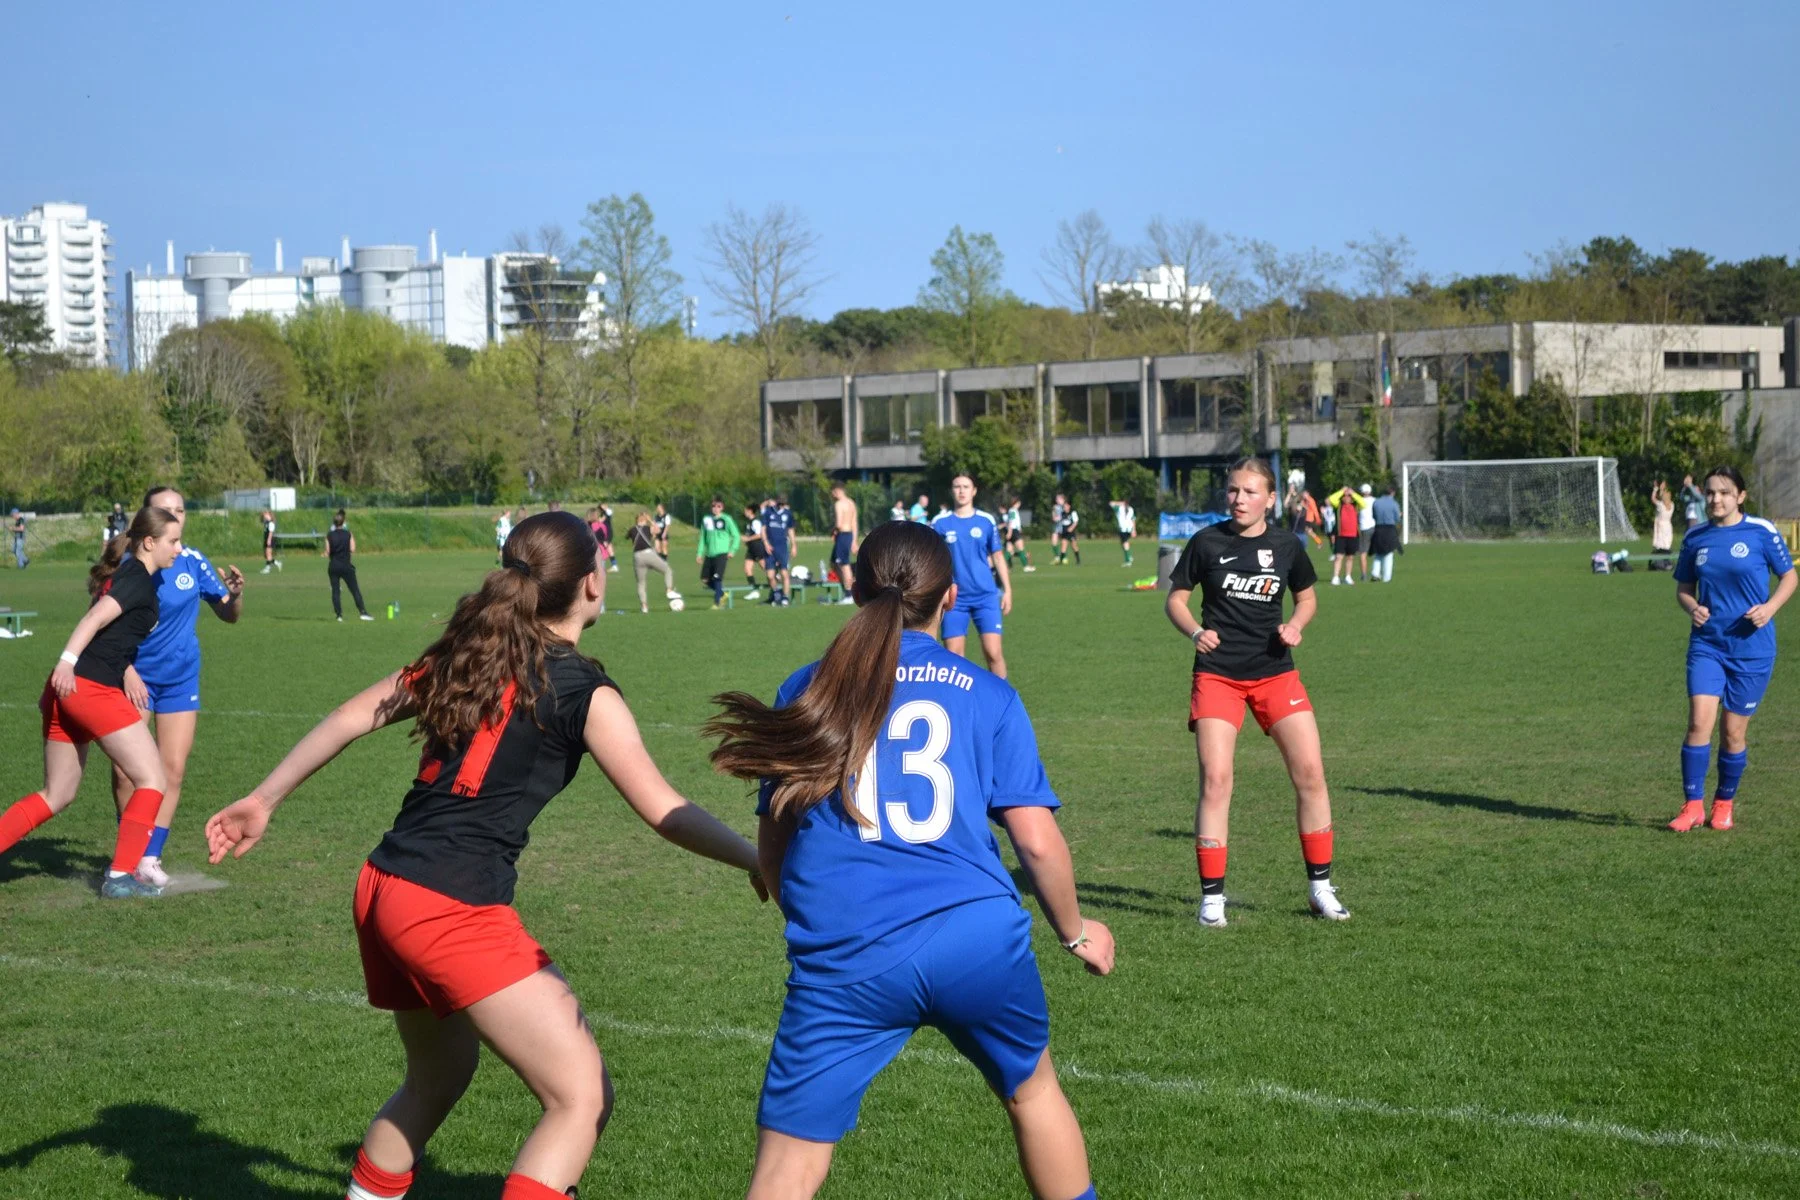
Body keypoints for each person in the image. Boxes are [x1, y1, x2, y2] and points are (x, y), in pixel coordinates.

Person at [203, 511, 764, 1200]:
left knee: (436, 1078)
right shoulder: (585, 692)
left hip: (383, 886)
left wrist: (264, 798)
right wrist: (755, 857)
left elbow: (353, 714)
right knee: (580, 1097)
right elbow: (663, 810)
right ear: (591, 583)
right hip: (448, 906)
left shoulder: (471, 654)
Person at [705, 520, 1113, 1200]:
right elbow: (1036, 842)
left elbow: (775, 837)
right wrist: (1075, 933)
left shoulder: (807, 687)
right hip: (974, 937)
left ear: (852, 588)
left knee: (790, 1163)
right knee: (1033, 1093)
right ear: (950, 597)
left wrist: (800, 910)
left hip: (849, 950)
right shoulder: (988, 692)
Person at [1163, 457, 1349, 927]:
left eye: (1249, 492)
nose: (1238, 499)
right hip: (1218, 676)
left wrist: (1296, 624)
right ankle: (1212, 901)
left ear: (1270, 499)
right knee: (1216, 779)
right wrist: (1194, 632)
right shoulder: (1206, 542)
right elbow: (1176, 600)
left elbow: (1307, 597)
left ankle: (1321, 889)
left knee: (1311, 774)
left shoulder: (1286, 545)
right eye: (1232, 490)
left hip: (1275, 674)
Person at [0, 505, 185, 899]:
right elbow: (94, 619)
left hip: (70, 690)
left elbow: (110, 634)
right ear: (148, 542)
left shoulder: (131, 575)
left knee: (58, 793)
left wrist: (116, 670)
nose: (179, 548)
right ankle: (120, 877)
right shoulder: (137, 579)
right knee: (153, 779)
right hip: (90, 689)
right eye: (173, 541)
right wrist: (66, 663)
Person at [107, 486, 246, 887]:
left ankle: (149, 857)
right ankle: (130, 851)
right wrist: (125, 670)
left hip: (180, 679)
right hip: (133, 677)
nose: (175, 516)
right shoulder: (126, 567)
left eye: (180, 510)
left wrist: (235, 595)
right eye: (165, 510)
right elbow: (101, 626)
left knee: (172, 770)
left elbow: (228, 614)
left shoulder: (192, 561)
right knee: (126, 772)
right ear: (147, 521)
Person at [1668, 466, 1796, 832]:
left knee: (1733, 733)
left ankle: (1723, 803)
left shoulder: (1761, 531)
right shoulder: (1696, 537)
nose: (1715, 499)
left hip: (1752, 649)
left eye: (1724, 492)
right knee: (1698, 723)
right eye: (1710, 492)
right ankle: (1692, 806)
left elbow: (1790, 577)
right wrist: (1693, 608)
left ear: (1740, 496)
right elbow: (1684, 589)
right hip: (1707, 645)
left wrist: (1770, 608)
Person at [932, 474, 1013, 679]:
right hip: (953, 598)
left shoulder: (986, 521)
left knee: (993, 653)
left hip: (985, 596)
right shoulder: (940, 523)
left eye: (966, 486)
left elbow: (997, 556)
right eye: (957, 486)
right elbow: (931, 560)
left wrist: (1007, 590)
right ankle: (959, 699)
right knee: (954, 657)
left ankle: (1002, 697)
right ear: (951, 491)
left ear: (974, 491)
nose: (961, 491)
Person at [325, 509, 373, 622]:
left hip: (333, 566)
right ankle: (363, 612)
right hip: (346, 565)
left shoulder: (329, 535)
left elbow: (327, 551)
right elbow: (353, 548)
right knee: (354, 589)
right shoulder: (348, 534)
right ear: (343, 522)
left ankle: (339, 615)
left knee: (335, 591)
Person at [629, 511, 679, 614]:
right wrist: (650, 520)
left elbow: (629, 538)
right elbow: (658, 530)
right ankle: (669, 590)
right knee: (667, 570)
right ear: (644, 520)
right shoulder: (647, 528)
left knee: (641, 583)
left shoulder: (632, 529)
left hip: (637, 556)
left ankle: (644, 607)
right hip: (648, 554)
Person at [696, 496, 741, 610]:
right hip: (709, 554)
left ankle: (717, 603)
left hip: (722, 553)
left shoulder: (727, 519)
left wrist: (732, 550)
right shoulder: (706, 519)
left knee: (717, 578)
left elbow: (736, 536)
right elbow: (702, 538)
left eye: (718, 506)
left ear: (722, 507)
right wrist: (699, 553)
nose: (715, 508)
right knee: (705, 579)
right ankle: (722, 594)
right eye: (713, 506)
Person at [1324, 484, 1369, 585]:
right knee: (1338, 557)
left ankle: (1348, 576)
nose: (1346, 497)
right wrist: (1342, 491)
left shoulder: (1356, 505)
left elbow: (1363, 503)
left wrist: (1353, 493)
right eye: (1345, 496)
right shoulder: (1338, 505)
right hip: (1341, 535)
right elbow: (1331, 499)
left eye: (1348, 496)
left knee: (1350, 557)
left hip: (1353, 535)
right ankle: (1335, 577)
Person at [763, 496, 794, 607]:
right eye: (779, 504)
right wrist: (766, 543)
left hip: (782, 548)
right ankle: (776, 593)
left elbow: (790, 530)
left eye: (783, 504)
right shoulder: (768, 512)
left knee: (784, 573)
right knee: (770, 575)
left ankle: (785, 597)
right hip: (770, 548)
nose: (781, 506)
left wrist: (794, 545)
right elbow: (763, 529)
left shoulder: (788, 514)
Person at [831, 485, 859, 603]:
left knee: (844, 564)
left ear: (837, 491)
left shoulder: (838, 504)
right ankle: (846, 589)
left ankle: (849, 593)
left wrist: (833, 531)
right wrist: (854, 540)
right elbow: (854, 523)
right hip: (849, 534)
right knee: (833, 562)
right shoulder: (851, 503)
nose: (832, 495)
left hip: (842, 534)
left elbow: (839, 523)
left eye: (833, 493)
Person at [1368, 484, 1402, 582]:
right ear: (1392, 492)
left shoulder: (1376, 502)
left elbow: (1374, 516)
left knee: (1378, 552)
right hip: (1389, 529)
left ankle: (1375, 573)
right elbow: (1397, 519)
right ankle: (1386, 577)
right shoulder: (1394, 503)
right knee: (1388, 553)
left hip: (1378, 528)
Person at [742, 504, 769, 599]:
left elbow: (759, 534)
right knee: (747, 569)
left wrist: (748, 539)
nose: (744, 512)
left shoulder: (755, 522)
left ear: (750, 511)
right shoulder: (749, 522)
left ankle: (779, 582)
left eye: (745, 510)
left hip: (758, 547)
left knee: (766, 568)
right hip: (751, 549)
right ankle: (754, 591)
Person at [1003, 498, 1034, 573]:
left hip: (1014, 531)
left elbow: (1015, 522)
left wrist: (1019, 528)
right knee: (1021, 549)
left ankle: (1001, 566)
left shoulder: (1013, 510)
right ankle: (1026, 567)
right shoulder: (1012, 510)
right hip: (1014, 531)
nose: (1019, 505)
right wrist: (1010, 532)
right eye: (1018, 503)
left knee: (1009, 551)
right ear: (1016, 503)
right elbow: (1011, 521)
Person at [1052, 495, 1081, 566]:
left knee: (1074, 546)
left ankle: (1078, 560)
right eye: (1064, 506)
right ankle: (1061, 561)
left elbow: (1076, 522)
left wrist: (1071, 528)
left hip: (1071, 532)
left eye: (1066, 506)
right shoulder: (1063, 513)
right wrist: (1055, 517)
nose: (1064, 507)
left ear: (1069, 506)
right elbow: (1058, 519)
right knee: (1063, 547)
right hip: (1065, 532)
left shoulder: (1072, 513)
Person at [1110, 498, 1137, 568]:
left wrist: (1120, 503)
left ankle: (1128, 560)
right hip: (1129, 529)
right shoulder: (1131, 509)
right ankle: (1129, 556)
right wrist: (1134, 530)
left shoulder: (1119, 508)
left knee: (1125, 543)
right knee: (1124, 543)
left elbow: (1111, 503)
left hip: (1123, 529)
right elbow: (1133, 519)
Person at [1651, 481, 1675, 555]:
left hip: (1661, 524)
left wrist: (1655, 489)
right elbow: (1663, 496)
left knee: (1660, 541)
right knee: (1666, 540)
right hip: (1668, 524)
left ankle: (1660, 554)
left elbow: (1653, 498)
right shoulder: (1672, 505)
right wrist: (1662, 489)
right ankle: (1666, 553)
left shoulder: (1661, 505)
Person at [260, 509, 282, 574]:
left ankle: (267, 569)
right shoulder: (266, 522)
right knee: (266, 555)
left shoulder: (271, 523)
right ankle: (277, 563)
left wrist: (269, 540)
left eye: (265, 515)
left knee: (268, 554)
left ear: (269, 515)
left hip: (270, 539)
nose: (264, 516)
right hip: (266, 539)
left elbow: (271, 532)